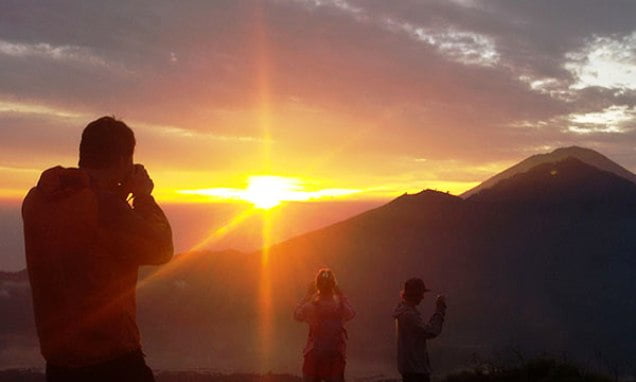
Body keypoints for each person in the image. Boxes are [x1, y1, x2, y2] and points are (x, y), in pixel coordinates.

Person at [22, 116, 173, 382]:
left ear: (84, 155)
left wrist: (115, 195)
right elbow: (161, 248)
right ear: (122, 161)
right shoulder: (106, 208)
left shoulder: (37, 201)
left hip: (60, 366)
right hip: (113, 364)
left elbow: (90, 235)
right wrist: (143, 196)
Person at [294, 268, 355, 382]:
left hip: (313, 354)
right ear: (333, 286)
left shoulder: (310, 307)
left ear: (317, 286)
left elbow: (297, 315)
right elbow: (352, 313)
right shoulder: (340, 307)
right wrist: (341, 295)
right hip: (335, 354)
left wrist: (307, 295)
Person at [392, 278, 446, 382]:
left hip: (411, 369)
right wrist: (440, 309)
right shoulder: (408, 315)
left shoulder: (404, 312)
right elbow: (431, 331)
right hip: (416, 371)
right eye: (421, 293)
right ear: (414, 294)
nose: (422, 297)